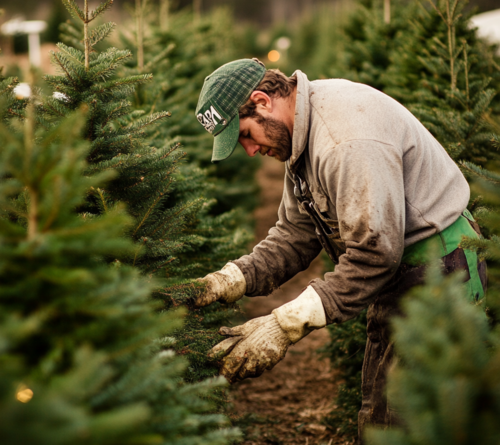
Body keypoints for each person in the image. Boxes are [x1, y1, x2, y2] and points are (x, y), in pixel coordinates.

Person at [194, 58, 487, 440]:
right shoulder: (300, 137)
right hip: (400, 278)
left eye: (246, 134)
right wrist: (228, 280)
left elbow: (376, 252)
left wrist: (284, 325)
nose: (249, 150)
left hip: (441, 274)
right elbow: (296, 233)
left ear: (262, 101)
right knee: (381, 416)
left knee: (416, 424)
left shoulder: (343, 140)